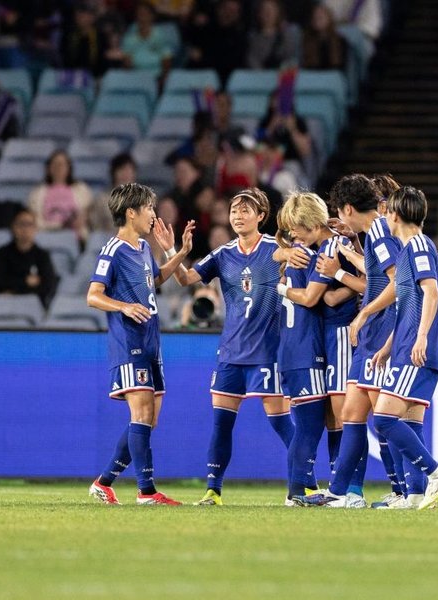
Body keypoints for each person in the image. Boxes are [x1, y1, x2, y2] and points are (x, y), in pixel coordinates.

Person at [302, 186, 438, 510]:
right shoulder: (410, 248)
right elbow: (406, 302)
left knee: (384, 418)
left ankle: (435, 472)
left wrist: (421, 337)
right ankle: (412, 495)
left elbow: (431, 293)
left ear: (395, 215)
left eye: (386, 212)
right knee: (409, 421)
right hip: (402, 343)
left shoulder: (418, 247)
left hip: (416, 347)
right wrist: (387, 346)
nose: (382, 216)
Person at [157, 188, 293, 505]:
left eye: (245, 210)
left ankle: (304, 485)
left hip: (267, 351)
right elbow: (186, 279)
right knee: (221, 423)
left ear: (261, 216)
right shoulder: (223, 254)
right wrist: (172, 251)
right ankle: (213, 490)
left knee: (281, 422)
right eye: (234, 210)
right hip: (231, 352)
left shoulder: (277, 250)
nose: (237, 215)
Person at [296, 174, 405, 509]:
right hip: (374, 334)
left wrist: (362, 314)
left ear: (346, 208)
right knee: (353, 413)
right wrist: (347, 249)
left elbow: (397, 282)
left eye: (340, 213)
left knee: (388, 418)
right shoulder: (374, 233)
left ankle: (412, 486)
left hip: (381, 333)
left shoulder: (379, 234)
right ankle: (343, 492)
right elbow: (375, 272)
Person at [87, 183, 194, 506]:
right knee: (142, 413)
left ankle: (104, 482)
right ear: (130, 212)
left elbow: (155, 279)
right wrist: (123, 306)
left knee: (148, 419)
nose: (153, 214)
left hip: (151, 341)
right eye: (148, 208)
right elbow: (93, 295)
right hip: (129, 341)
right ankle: (146, 491)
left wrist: (180, 254)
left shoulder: (144, 248)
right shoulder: (113, 250)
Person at [273, 192, 354, 504]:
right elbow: (310, 298)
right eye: (291, 230)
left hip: (301, 347)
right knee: (308, 427)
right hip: (303, 349)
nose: (294, 234)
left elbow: (275, 250)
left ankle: (310, 489)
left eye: (297, 228)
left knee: (318, 423)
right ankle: (295, 492)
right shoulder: (315, 254)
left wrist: (279, 256)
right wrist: (281, 286)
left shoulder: (298, 252)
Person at [0, 208, 59, 308]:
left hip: (34, 305)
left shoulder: (42, 255)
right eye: (21, 224)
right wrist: (26, 282)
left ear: (35, 228)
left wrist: (14, 288)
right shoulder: (2, 253)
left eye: (29, 224)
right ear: (13, 227)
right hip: (7, 304)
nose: (25, 229)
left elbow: (48, 285)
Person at [28, 150, 93, 243]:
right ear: (48, 168)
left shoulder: (81, 189)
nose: (58, 167)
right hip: (46, 235)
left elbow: (87, 213)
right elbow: (35, 219)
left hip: (76, 236)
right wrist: (58, 226)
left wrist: (80, 221)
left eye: (62, 164)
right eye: (55, 164)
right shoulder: (37, 192)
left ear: (69, 168)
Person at [121, 1, 173, 80]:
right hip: (135, 77)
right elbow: (127, 61)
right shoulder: (129, 36)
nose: (142, 17)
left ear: (152, 16)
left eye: (145, 14)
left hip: (157, 76)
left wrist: (163, 78)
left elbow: (166, 59)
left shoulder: (161, 35)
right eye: (139, 14)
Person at [89, 153, 137, 233]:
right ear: (114, 173)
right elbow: (95, 226)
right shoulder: (102, 199)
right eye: (122, 169)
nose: (126, 174)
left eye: (129, 170)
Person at [246, 0, 300, 70]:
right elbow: (252, 61)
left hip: (285, 76)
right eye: (264, 9)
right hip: (260, 77)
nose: (268, 13)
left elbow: (292, 58)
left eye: (272, 9)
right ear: (259, 13)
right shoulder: (253, 37)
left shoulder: (290, 33)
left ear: (278, 11)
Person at [301, 3, 346, 70]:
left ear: (329, 19)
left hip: (334, 77)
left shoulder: (340, 40)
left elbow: (341, 66)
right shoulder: (307, 40)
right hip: (313, 77)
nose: (317, 19)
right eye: (315, 17)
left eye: (321, 17)